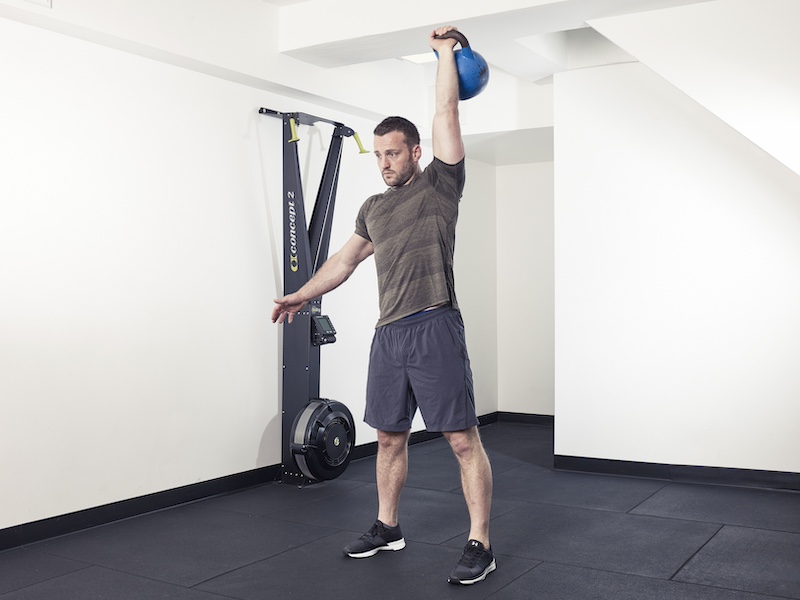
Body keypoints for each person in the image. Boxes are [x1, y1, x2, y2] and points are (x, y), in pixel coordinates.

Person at [271, 25, 495, 586]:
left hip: (435, 324)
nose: (386, 162)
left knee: (462, 439)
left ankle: (480, 542)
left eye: (395, 153)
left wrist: (445, 53)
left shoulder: (441, 185)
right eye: (380, 155)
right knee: (389, 437)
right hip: (389, 334)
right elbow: (343, 262)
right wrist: (302, 294)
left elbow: (447, 113)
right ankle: (387, 526)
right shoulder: (374, 207)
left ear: (416, 152)